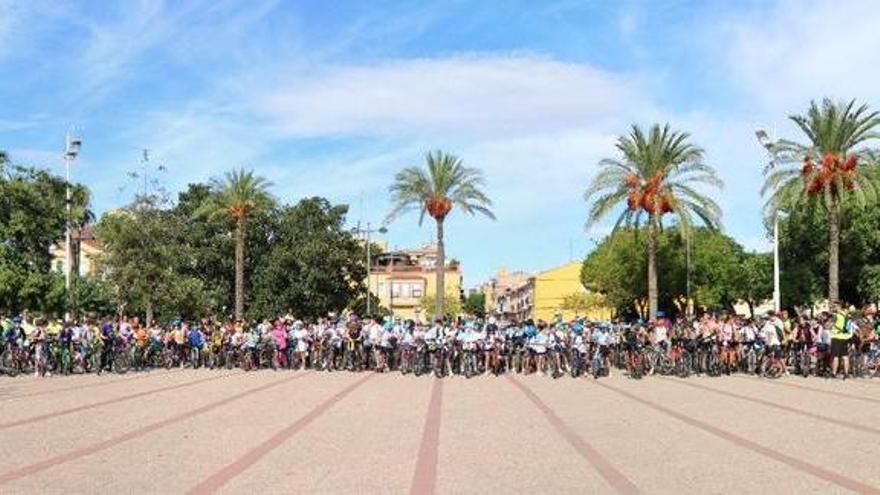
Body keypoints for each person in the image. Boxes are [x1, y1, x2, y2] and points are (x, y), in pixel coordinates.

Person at [830, 306, 853, 379]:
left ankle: (834, 373)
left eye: (834, 306)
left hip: (836, 336)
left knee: (835, 356)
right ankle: (846, 373)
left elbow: (830, 325)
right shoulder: (847, 315)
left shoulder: (836, 315)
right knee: (845, 356)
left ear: (838, 307)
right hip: (845, 337)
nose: (833, 307)